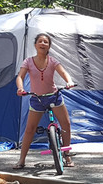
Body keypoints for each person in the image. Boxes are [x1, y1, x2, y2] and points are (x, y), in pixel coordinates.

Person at [13, 33, 76, 169]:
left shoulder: (52, 61)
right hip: (37, 99)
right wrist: (20, 88)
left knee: (66, 124)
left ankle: (67, 155)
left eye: (46, 42)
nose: (43, 44)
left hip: (54, 96)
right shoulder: (28, 61)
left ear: (49, 46)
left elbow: (64, 72)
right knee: (30, 129)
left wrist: (69, 81)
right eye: (40, 41)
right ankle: (22, 159)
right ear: (35, 45)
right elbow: (20, 77)